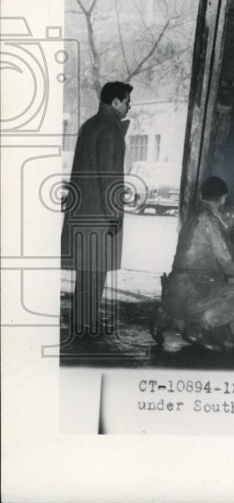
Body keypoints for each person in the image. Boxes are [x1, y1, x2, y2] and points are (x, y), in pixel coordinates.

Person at [61, 81, 132, 340]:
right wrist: (115, 214)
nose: (128, 106)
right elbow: (110, 176)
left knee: (86, 273)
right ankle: (86, 326)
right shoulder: (110, 130)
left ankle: (82, 322)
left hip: (83, 212)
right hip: (100, 215)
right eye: (126, 101)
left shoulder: (90, 125)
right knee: (95, 273)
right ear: (115, 102)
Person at [155, 176, 234, 352]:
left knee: (203, 294)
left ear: (201, 196)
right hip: (192, 293)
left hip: (171, 292)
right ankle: (201, 327)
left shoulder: (191, 219)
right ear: (223, 199)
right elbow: (232, 267)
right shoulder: (210, 222)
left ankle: (168, 318)